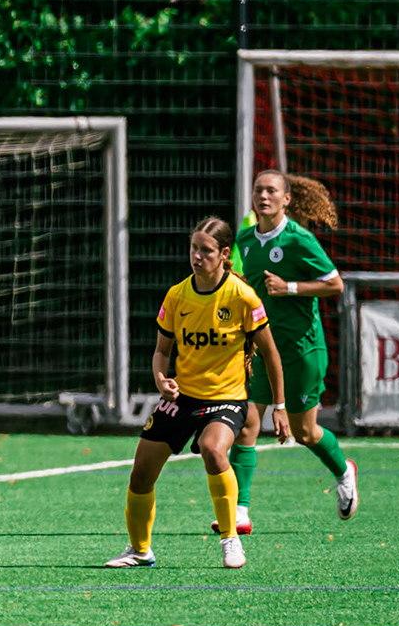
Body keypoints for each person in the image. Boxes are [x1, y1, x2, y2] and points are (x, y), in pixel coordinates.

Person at [108, 217, 289, 571]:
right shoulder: (177, 295)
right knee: (141, 472)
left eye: (205, 251)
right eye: (193, 249)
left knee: (212, 448)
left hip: (226, 398)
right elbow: (162, 351)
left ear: (224, 254)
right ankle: (139, 550)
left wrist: (279, 406)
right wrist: (162, 379)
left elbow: (270, 352)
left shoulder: (241, 296)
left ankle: (229, 538)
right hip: (182, 398)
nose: (196, 256)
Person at [226, 169, 358, 533]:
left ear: (286, 199)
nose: (263, 196)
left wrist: (291, 288)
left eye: (271, 191)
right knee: (247, 425)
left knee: (305, 432)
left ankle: (344, 470)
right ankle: (240, 511)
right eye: (258, 190)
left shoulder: (300, 240)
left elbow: (335, 285)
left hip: (301, 348)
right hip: (263, 349)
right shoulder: (244, 241)